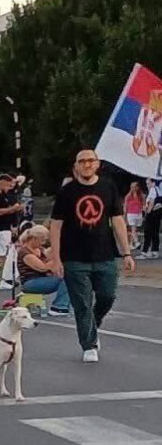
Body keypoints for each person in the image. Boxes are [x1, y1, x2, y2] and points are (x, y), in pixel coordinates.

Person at [50, 149, 135, 362]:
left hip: (105, 255)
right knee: (83, 304)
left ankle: (93, 327)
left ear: (97, 164)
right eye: (82, 161)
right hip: (74, 258)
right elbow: (56, 226)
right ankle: (88, 345)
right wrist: (56, 258)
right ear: (76, 166)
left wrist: (126, 252)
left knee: (107, 296)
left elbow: (117, 220)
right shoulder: (67, 192)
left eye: (91, 160)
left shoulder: (108, 187)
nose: (87, 164)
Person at [16, 225, 71, 315]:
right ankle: (59, 306)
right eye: (42, 240)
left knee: (69, 276)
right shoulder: (25, 253)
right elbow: (42, 267)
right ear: (34, 238)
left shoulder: (39, 250)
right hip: (30, 283)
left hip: (40, 279)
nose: (43, 243)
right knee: (66, 278)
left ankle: (64, 305)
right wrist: (55, 258)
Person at [0, 173, 23, 268]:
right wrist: (13, 209)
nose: (9, 188)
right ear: (1, 182)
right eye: (7, 185)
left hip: (6, 229)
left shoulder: (4, 196)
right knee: (1, 254)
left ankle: (5, 275)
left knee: (8, 254)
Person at [138, 178, 162, 259]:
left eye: (148, 183)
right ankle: (155, 251)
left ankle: (145, 251)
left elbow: (151, 202)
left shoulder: (152, 189)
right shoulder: (159, 190)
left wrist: (147, 212)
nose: (147, 185)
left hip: (151, 214)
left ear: (153, 183)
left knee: (148, 232)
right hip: (158, 214)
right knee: (155, 232)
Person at [123, 181, 144, 250]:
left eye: (134, 187)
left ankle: (131, 244)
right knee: (133, 228)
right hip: (131, 214)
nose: (133, 188)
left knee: (134, 229)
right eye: (131, 187)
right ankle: (137, 242)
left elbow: (143, 204)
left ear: (138, 187)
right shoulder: (128, 196)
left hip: (138, 214)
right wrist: (124, 216)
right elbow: (125, 206)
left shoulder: (141, 195)